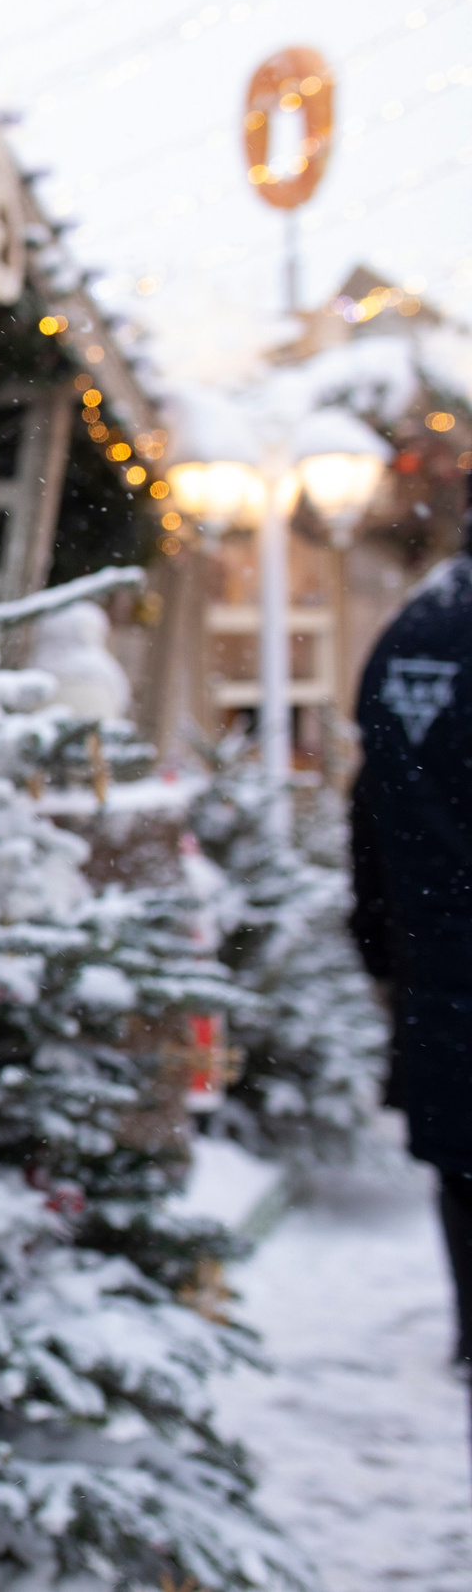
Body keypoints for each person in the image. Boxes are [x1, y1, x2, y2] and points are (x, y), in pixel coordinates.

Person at [350, 503, 472, 1381]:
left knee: (462, 1162)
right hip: (436, 949)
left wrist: (386, 949)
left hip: (437, 959)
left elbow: (372, 806)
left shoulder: (411, 636)